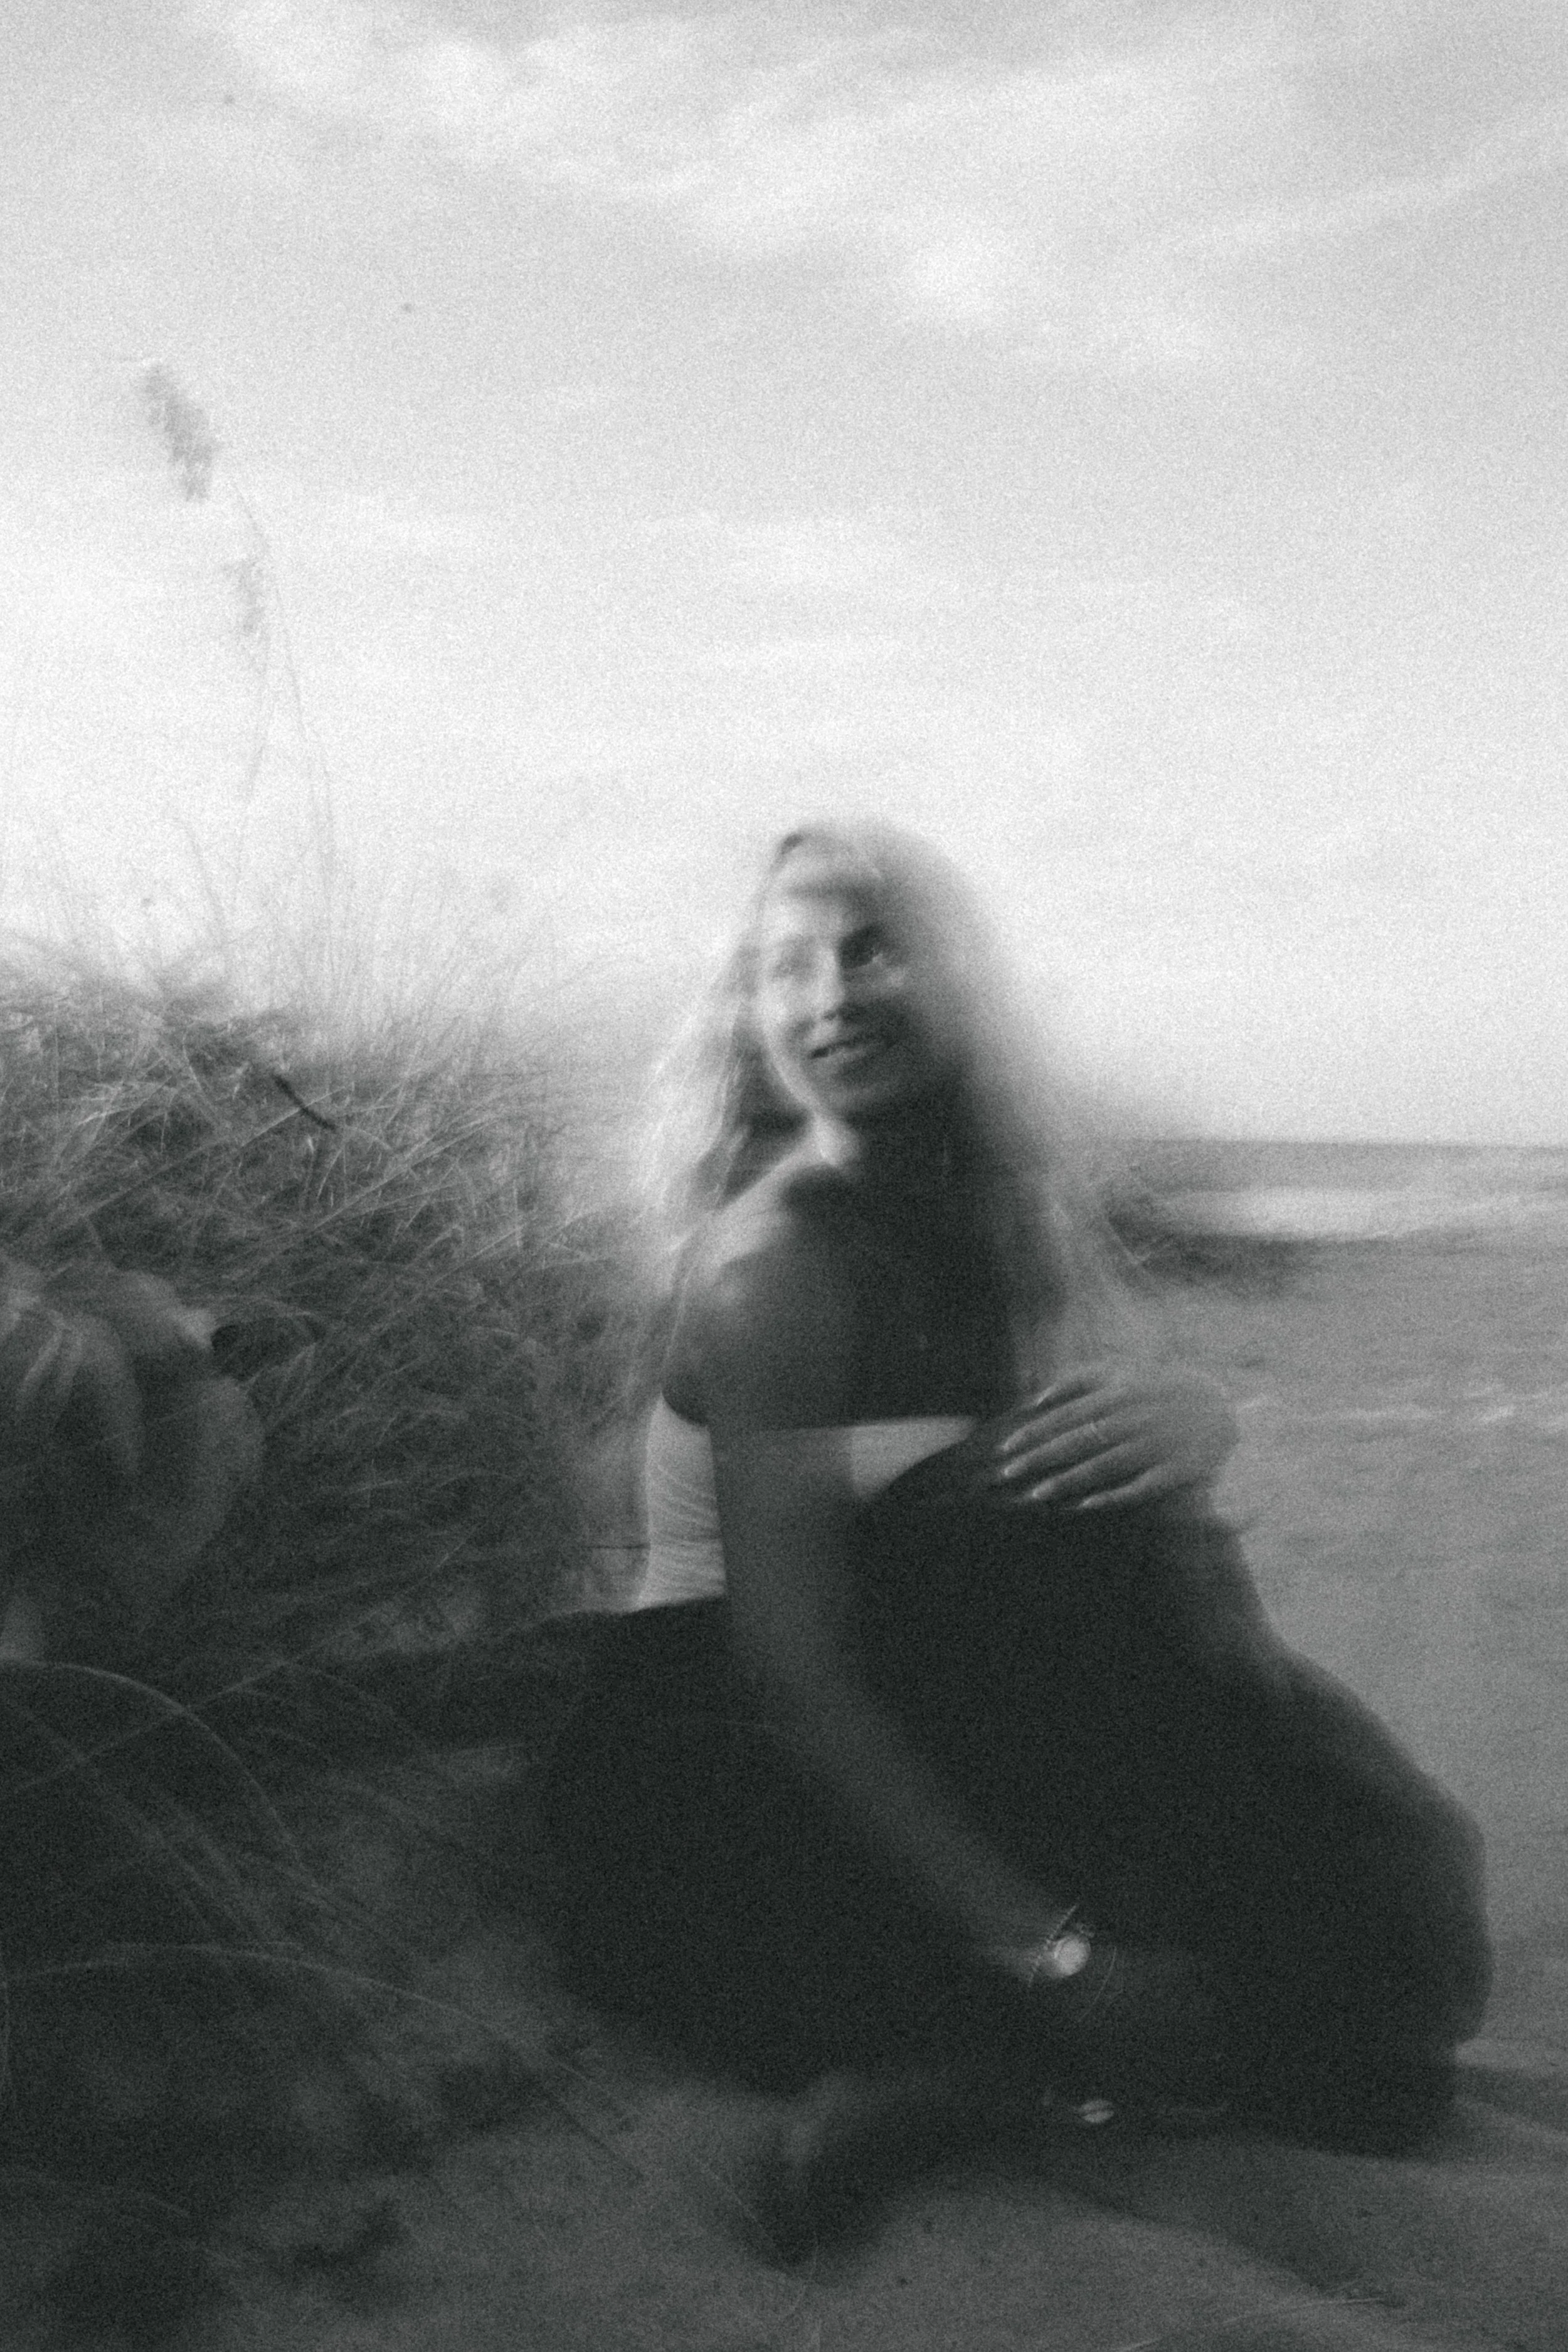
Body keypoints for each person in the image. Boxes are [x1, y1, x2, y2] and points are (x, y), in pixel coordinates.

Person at [539, 824, 1490, 2249]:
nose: (828, 997)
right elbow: (786, 1667)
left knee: (1384, 1973)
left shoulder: (968, 1227)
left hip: (921, 1694)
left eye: (870, 948)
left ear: (957, 978)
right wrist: (1062, 1960)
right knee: (1288, 1985)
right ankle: (992, 2060)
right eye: (780, 967)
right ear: (746, 1018)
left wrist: (1195, 1416)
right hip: (723, 1763)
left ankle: (1004, 2063)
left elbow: (1022, 1480)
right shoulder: (776, 1265)